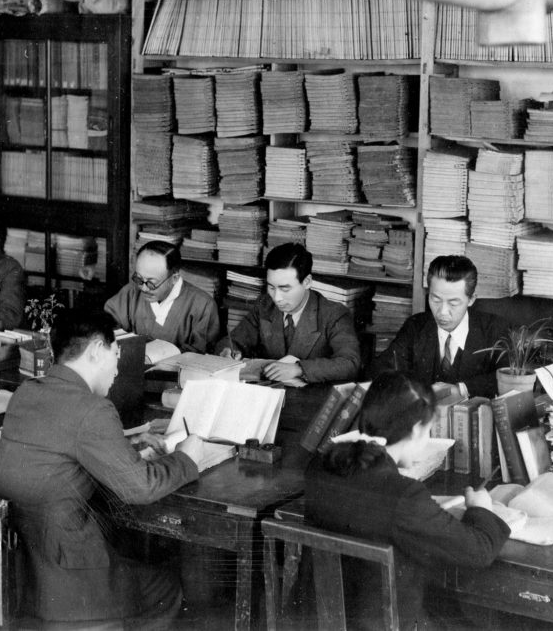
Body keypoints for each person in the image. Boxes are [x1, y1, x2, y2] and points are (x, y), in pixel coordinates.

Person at [0, 308, 206, 626]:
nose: (116, 370)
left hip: (19, 574)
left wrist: (128, 445)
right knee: (166, 585)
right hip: (67, 584)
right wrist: (187, 458)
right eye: (116, 355)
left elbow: (63, 445)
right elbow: (141, 488)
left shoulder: (26, 392)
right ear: (96, 350)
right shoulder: (94, 409)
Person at [305, 371, 510, 630]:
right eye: (428, 430)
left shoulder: (319, 466)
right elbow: (479, 550)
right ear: (415, 430)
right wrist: (480, 509)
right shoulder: (404, 495)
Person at [218, 243, 361, 385]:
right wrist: (227, 351)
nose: (277, 298)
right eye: (271, 287)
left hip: (311, 395)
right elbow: (233, 340)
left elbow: (350, 363)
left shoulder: (334, 314)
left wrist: (299, 369)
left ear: (307, 282)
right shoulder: (264, 305)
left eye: (285, 289)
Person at [367, 255, 506, 398]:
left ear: (471, 299)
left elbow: (512, 377)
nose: (442, 312)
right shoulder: (416, 325)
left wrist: (462, 389)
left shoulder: (495, 329)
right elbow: (381, 368)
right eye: (436, 299)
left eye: (453, 303)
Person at [105, 241, 220, 354]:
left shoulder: (203, 305)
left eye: (151, 283)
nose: (144, 288)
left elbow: (201, 353)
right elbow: (107, 327)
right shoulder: (130, 293)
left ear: (174, 278)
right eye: (138, 279)